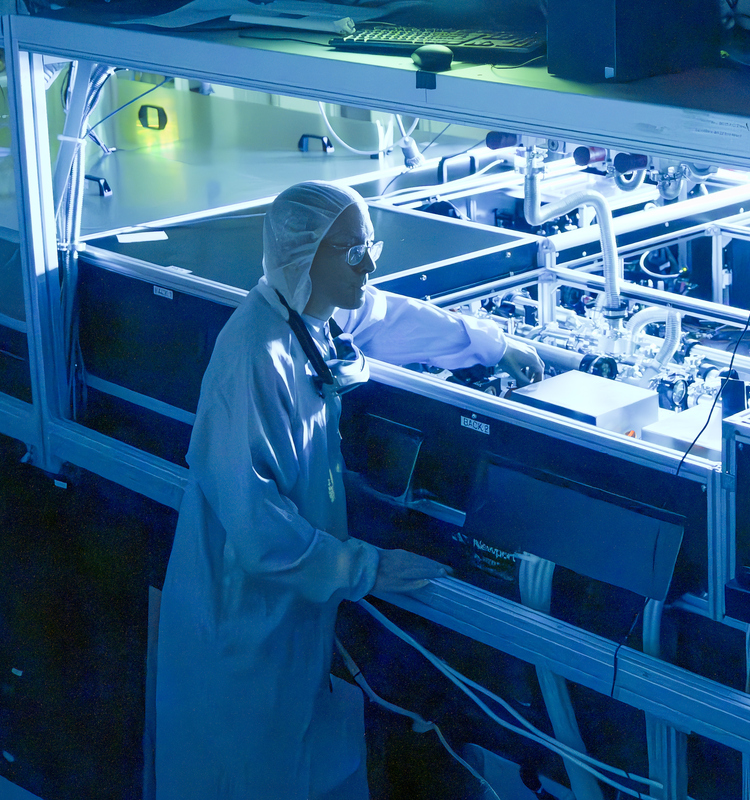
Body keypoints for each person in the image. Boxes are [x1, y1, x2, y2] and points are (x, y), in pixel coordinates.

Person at [154, 181, 542, 799]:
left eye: (372, 248)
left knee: (296, 755)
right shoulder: (253, 354)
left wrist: (493, 345)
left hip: (291, 612)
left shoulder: (315, 313)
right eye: (355, 253)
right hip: (241, 619)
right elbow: (258, 531)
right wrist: (368, 568)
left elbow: (392, 319)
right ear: (303, 256)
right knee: (245, 768)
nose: (370, 267)